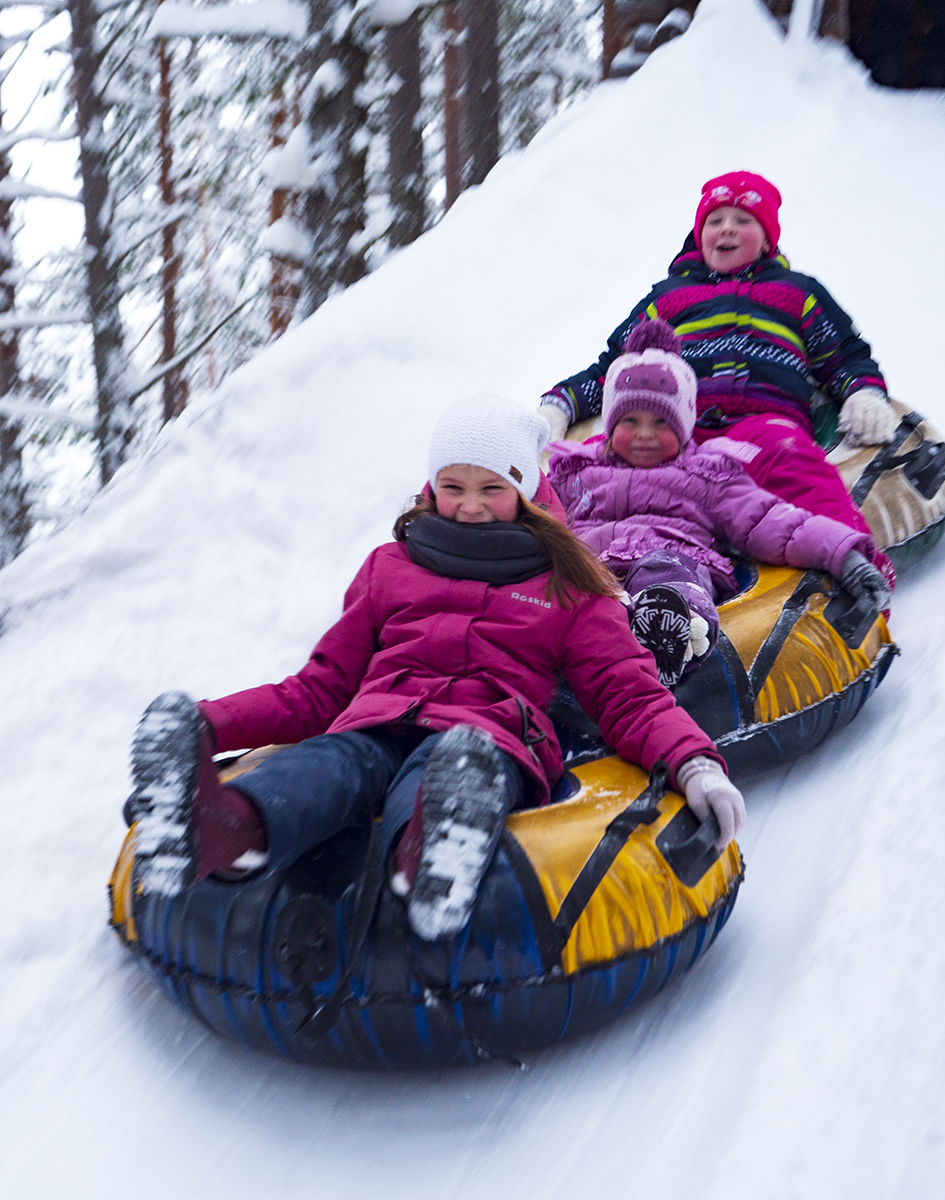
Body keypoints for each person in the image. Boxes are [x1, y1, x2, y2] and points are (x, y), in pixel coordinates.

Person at [126, 396, 744, 944]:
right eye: (453, 486)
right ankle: (222, 828)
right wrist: (206, 726)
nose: (470, 507)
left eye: (492, 488)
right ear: (430, 486)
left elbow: (628, 698)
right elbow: (320, 690)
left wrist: (694, 764)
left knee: (451, 766)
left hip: (491, 734)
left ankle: (432, 851)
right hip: (378, 719)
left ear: (527, 493)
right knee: (327, 763)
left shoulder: (569, 586)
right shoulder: (390, 567)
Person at [537, 171, 897, 584]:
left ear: (766, 239)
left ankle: (854, 570)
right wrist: (561, 402)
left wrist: (863, 394)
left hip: (763, 427)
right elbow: (617, 369)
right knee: (584, 466)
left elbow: (845, 356)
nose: (726, 228)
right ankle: (530, 568)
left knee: (796, 464)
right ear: (699, 234)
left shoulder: (797, 292)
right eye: (714, 220)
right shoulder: (669, 297)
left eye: (743, 220)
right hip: (675, 430)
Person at [548, 320, 894, 686]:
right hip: (588, 567)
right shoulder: (576, 471)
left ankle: (670, 637)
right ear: (610, 424)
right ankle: (569, 650)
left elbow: (774, 522)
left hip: (669, 559)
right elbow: (537, 522)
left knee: (666, 576)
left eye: (662, 423)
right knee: (561, 586)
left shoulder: (708, 475)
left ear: (684, 427)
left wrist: (845, 556)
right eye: (630, 420)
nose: (645, 434)